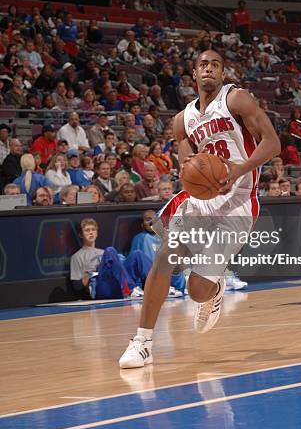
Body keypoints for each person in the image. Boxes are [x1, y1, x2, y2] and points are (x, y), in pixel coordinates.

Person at [119, 49, 280, 368]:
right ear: (193, 74)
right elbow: (188, 168)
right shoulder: (182, 121)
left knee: (197, 290)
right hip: (201, 201)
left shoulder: (237, 100)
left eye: (215, 65)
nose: (209, 69)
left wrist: (238, 168)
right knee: (165, 258)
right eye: (203, 65)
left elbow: (273, 143)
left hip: (239, 202)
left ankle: (215, 285)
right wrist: (196, 176)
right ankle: (143, 342)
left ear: (222, 74)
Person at [70, 218, 155, 300]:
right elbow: (75, 286)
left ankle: (160, 286)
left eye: (93, 230)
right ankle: (130, 290)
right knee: (110, 251)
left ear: (97, 233)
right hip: (101, 286)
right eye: (87, 230)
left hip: (117, 283)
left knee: (136, 254)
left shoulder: (103, 252)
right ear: (81, 235)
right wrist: (88, 278)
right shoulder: (77, 256)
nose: (91, 233)